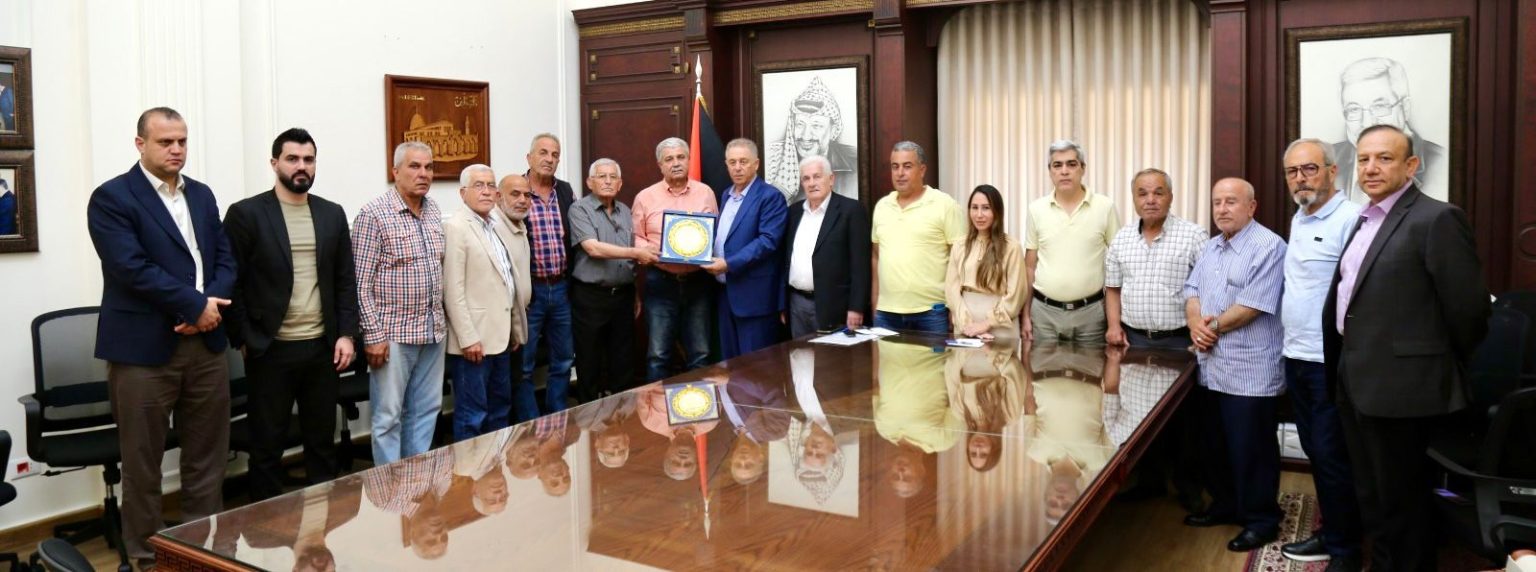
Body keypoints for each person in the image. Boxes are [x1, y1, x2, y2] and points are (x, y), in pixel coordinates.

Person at [1323, 124, 1490, 571]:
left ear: (1411, 165)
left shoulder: (1437, 218)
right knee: (1373, 497)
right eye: (1363, 159)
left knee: (1405, 503)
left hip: (1405, 389)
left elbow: (1469, 311)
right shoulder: (1365, 219)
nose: (1370, 168)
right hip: (1355, 380)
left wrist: (1429, 363)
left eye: (1384, 158)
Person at [85, 107, 236, 568]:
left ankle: (200, 554)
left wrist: (208, 308)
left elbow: (224, 259)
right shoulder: (112, 198)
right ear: (140, 144)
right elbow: (130, 268)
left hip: (206, 345)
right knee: (143, 465)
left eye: (182, 141)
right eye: (165, 141)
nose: (176, 149)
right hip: (143, 352)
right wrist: (194, 306)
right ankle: (148, 559)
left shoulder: (202, 194)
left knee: (207, 460)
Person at [224, 127, 359, 501]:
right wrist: (244, 338)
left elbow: (345, 280)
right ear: (275, 163)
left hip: (322, 349)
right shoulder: (246, 214)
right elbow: (230, 282)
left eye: (309, 159)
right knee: (267, 446)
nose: (302, 166)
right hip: (271, 350)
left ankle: (320, 523)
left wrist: (346, 334)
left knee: (321, 443)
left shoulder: (332, 214)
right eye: (293, 159)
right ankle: (266, 525)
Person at [1180, 177, 1288, 553]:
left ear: (1251, 206)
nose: (1222, 209)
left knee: (1251, 450)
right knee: (1216, 446)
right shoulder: (1212, 246)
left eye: (1231, 201)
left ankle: (1261, 521)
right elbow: (1192, 291)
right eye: (1217, 202)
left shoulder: (1270, 246)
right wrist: (1195, 323)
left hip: (1250, 370)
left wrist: (1209, 329)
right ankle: (1225, 505)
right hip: (1211, 367)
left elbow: (1254, 305)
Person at [1277, 138, 1364, 570]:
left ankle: (1345, 551)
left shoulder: (1351, 220)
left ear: (1332, 170)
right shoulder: (1300, 217)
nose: (1300, 178)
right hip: (1296, 356)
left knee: (1332, 457)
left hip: (1329, 362)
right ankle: (1334, 532)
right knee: (1317, 451)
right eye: (1292, 171)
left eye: (1309, 168)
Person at [353, 141, 446, 464]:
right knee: (388, 417)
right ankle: (390, 488)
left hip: (432, 331)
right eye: (414, 166)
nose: (424, 174)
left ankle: (416, 481)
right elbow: (360, 284)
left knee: (427, 410)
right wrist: (373, 335)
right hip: (392, 335)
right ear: (395, 172)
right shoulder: (373, 215)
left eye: (429, 167)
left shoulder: (434, 210)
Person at [443, 164, 526, 441]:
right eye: (479, 185)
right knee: (472, 417)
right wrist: (468, 338)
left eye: (491, 185)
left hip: (500, 337)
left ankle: (495, 467)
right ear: (462, 192)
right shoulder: (456, 227)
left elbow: (504, 282)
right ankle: (471, 469)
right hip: (474, 342)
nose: (487, 191)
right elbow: (452, 290)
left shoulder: (493, 225)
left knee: (500, 411)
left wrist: (514, 328)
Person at [568, 158, 657, 399]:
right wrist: (636, 253)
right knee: (589, 363)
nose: (607, 181)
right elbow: (593, 249)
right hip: (591, 297)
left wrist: (635, 293)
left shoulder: (626, 212)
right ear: (589, 182)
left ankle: (623, 418)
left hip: (623, 296)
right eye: (601, 176)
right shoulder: (579, 209)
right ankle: (589, 419)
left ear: (620, 184)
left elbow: (628, 262)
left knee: (623, 362)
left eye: (613, 177)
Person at [632, 137, 719, 380]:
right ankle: (657, 405)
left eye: (681, 157)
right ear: (660, 165)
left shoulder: (705, 193)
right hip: (661, 281)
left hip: (698, 282)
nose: (676, 163)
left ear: (689, 160)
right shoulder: (645, 197)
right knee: (658, 355)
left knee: (701, 353)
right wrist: (648, 251)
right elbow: (637, 237)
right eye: (669, 159)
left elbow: (715, 233)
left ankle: (700, 405)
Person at [1024, 139, 1121, 343]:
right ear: (1050, 171)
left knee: (1092, 364)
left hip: (1091, 314)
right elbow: (1029, 267)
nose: (1064, 171)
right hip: (1044, 315)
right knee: (1041, 365)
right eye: (1057, 165)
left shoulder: (1105, 207)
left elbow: (1119, 264)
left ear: (1082, 168)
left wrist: (1115, 322)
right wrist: (1025, 316)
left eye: (1071, 164)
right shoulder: (1036, 209)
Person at [702, 138, 788, 359]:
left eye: (743, 161)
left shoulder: (770, 196)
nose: (737, 167)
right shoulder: (726, 195)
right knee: (731, 365)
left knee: (756, 368)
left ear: (756, 164)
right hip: (725, 294)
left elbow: (768, 241)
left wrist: (728, 264)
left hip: (754, 298)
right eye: (732, 162)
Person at [1104, 168, 1205, 349]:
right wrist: (1113, 326)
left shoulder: (1195, 236)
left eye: (1158, 193)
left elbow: (1209, 289)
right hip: (1132, 340)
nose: (1150, 200)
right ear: (1134, 199)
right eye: (1142, 194)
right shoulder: (1121, 238)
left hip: (1181, 340)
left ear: (1170, 197)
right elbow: (1113, 288)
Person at [870, 141, 965, 333]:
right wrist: (875, 303)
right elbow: (876, 257)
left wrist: (956, 308)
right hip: (886, 315)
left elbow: (961, 261)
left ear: (922, 170)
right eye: (895, 166)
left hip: (931, 313)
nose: (900, 173)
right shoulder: (882, 207)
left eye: (907, 166)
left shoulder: (945, 205)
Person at [1329, 58, 1447, 201]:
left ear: (1405, 108)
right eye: (1354, 109)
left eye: (1379, 107)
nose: (1367, 123)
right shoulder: (1325, 161)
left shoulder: (1440, 162)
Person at [783, 155, 871, 337]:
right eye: (806, 178)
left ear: (831, 179)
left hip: (834, 306)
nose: (811, 183)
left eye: (817, 176)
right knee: (799, 354)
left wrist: (856, 307)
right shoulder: (793, 212)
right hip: (796, 304)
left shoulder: (851, 211)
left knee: (830, 356)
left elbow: (860, 265)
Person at [521, 133, 577, 412]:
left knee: (564, 359)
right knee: (524, 364)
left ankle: (557, 419)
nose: (549, 159)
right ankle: (529, 423)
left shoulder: (564, 191)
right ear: (529, 157)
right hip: (530, 292)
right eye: (543, 153)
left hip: (562, 288)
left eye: (555, 154)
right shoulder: (516, 190)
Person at [945, 184, 1026, 340]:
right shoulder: (959, 245)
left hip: (1000, 324)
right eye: (974, 208)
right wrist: (968, 325)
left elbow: (1016, 295)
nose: (979, 214)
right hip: (965, 322)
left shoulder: (1012, 247)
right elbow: (951, 289)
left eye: (986, 208)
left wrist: (986, 324)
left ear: (997, 211)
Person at [763, 77, 859, 202]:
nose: (806, 136)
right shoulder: (773, 159)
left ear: (834, 130)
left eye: (816, 125)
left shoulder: (855, 161)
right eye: (800, 124)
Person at [494, 174, 538, 422]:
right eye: (515, 194)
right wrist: (512, 324)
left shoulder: (520, 224)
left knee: (515, 380)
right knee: (501, 395)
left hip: (520, 316)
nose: (523, 200)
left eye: (527, 195)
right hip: (502, 324)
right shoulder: (493, 228)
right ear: (498, 197)